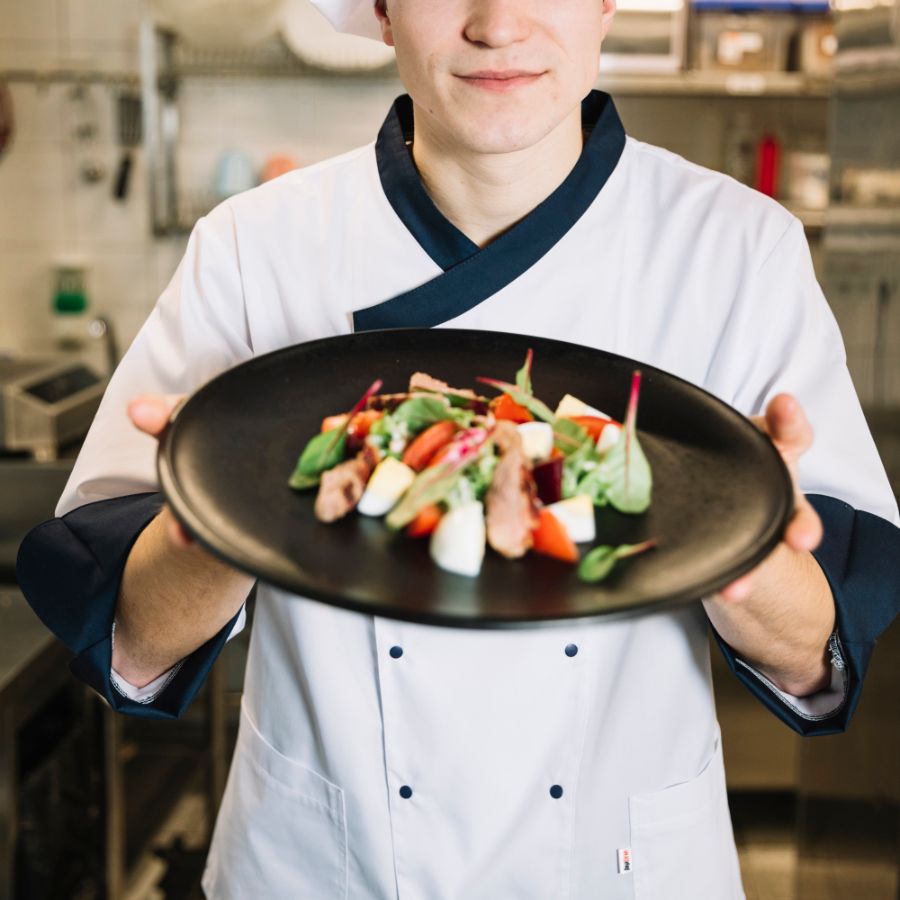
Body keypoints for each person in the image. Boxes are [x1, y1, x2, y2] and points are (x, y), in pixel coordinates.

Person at [17, 0, 900, 897]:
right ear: (383, 9)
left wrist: (738, 532)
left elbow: (818, 651)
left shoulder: (737, 250)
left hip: (619, 869)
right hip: (324, 867)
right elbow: (133, 643)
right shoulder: (254, 247)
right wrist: (221, 511)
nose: (498, 23)